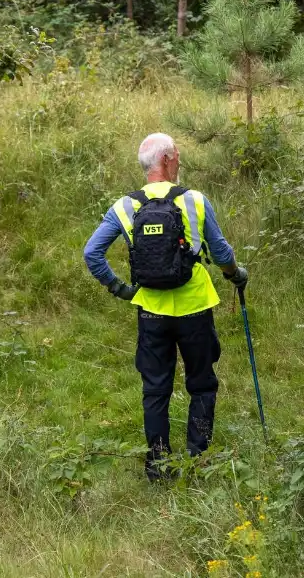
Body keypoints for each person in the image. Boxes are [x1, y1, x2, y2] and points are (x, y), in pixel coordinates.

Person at [83, 132, 249, 481]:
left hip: (151, 312)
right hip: (194, 308)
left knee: (155, 389)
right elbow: (220, 253)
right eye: (177, 155)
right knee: (201, 384)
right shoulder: (196, 201)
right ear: (169, 159)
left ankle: (158, 466)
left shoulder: (125, 207)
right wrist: (236, 275)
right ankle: (197, 459)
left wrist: (121, 289)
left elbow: (91, 253)